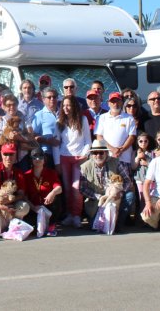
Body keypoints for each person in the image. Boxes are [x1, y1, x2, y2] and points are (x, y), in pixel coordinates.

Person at [79, 140, 134, 230]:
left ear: (106, 153)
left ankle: (117, 223)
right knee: (97, 226)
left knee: (130, 196)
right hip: (96, 203)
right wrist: (99, 196)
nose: (98, 155)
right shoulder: (85, 167)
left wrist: (119, 192)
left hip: (115, 199)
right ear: (92, 154)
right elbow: (82, 189)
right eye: (95, 153)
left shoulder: (116, 162)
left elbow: (128, 181)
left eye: (101, 153)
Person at [56, 92, 92, 227]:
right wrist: (57, 162)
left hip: (79, 158)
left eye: (68, 105)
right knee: (67, 188)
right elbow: (56, 144)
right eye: (64, 105)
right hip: (64, 157)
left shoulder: (82, 120)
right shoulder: (59, 122)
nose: (66, 108)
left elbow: (88, 141)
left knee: (76, 188)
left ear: (74, 106)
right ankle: (69, 214)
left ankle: (77, 215)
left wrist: (84, 155)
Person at [0, 143, 31, 238]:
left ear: (15, 155)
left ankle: (11, 225)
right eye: (6, 154)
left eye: (11, 154)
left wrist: (10, 200)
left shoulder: (18, 172)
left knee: (25, 206)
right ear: (1, 154)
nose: (8, 157)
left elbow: (21, 194)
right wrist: (0, 205)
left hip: (10, 206)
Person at [22, 150, 63, 227]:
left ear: (44, 160)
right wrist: (33, 207)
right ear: (31, 160)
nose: (37, 159)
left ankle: (52, 224)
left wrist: (52, 193)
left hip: (47, 206)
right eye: (35, 157)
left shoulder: (51, 173)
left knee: (56, 198)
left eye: (40, 157)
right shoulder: (26, 175)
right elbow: (24, 196)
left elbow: (59, 188)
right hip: (33, 207)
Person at [96, 95, 139, 166]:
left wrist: (121, 150)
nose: (115, 104)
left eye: (118, 101)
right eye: (113, 101)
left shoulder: (129, 118)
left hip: (124, 159)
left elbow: (132, 137)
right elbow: (99, 137)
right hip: (107, 158)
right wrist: (112, 149)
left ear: (122, 103)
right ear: (108, 103)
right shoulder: (101, 118)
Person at [30, 87, 61, 165]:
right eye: (49, 97)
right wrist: (47, 141)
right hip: (47, 154)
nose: (52, 99)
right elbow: (32, 136)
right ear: (43, 99)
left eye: (54, 97)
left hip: (63, 153)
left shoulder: (63, 114)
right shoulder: (39, 115)